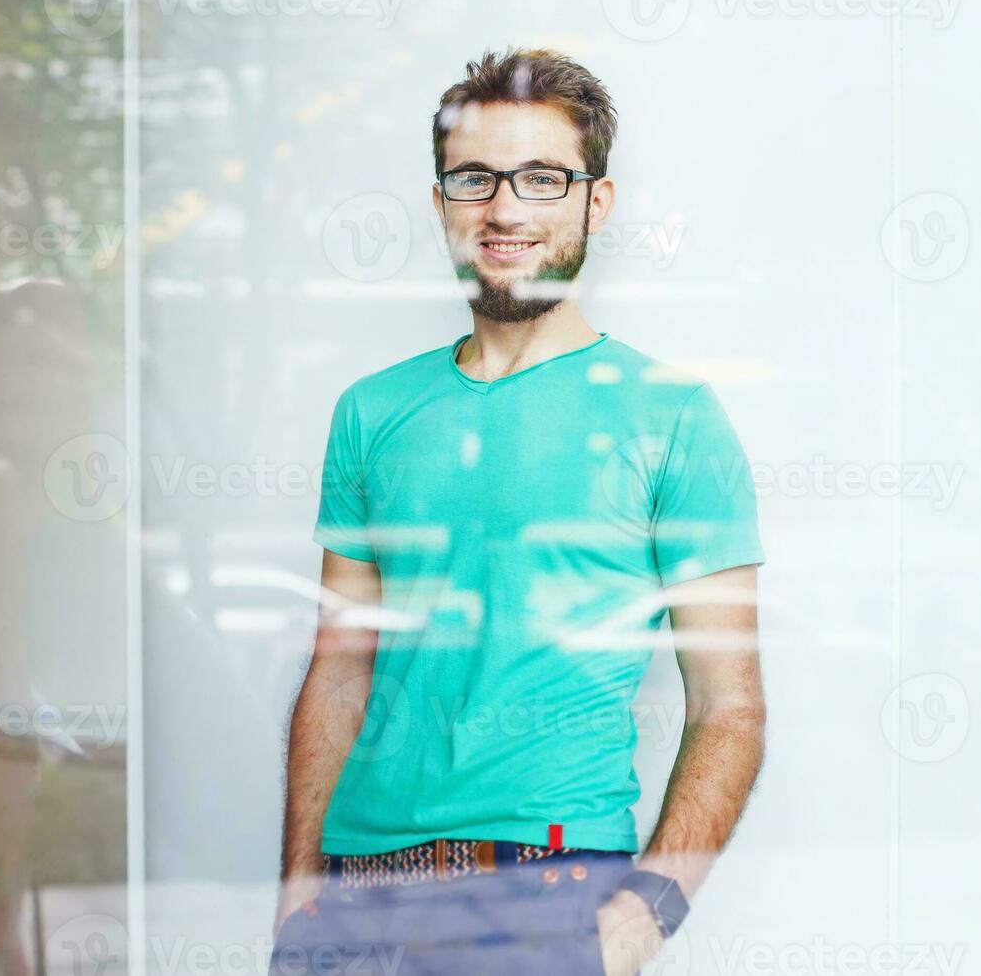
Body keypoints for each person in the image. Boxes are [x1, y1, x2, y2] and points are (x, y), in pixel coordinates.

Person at [271, 48, 769, 976]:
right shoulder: (370, 411)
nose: (504, 210)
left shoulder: (672, 416)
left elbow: (728, 707)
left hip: (543, 889)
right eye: (475, 178)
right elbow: (338, 671)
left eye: (542, 178)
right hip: (354, 891)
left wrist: (644, 914)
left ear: (596, 201)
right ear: (441, 201)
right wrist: (298, 894)